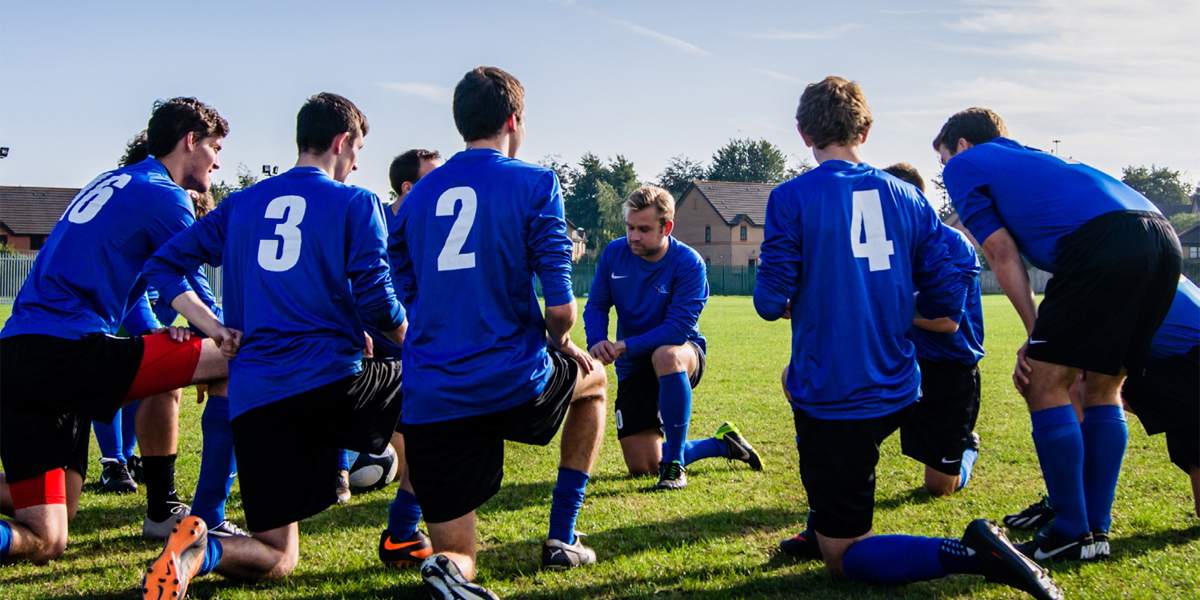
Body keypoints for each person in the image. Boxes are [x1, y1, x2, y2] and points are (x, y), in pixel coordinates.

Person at [754, 76, 1058, 600]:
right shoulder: (909, 198)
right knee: (821, 434)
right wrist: (888, 302)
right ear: (865, 130)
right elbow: (946, 295)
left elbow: (766, 301)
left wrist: (811, 298)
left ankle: (971, 552)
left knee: (843, 559)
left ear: (803, 133)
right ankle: (826, 514)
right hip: (901, 385)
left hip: (837, 394)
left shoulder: (790, 197)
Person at [139, 92, 406, 599]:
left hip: (256, 397)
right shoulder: (358, 202)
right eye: (358, 151)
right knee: (432, 404)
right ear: (341, 141)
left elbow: (161, 265)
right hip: (331, 383)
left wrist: (212, 327)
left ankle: (203, 549)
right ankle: (413, 537)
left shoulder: (241, 204)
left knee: (279, 556)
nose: (356, 164)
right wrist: (412, 345)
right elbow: (378, 302)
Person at [393, 66, 607, 600]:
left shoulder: (415, 197)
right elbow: (561, 311)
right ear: (514, 120)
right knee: (596, 380)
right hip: (510, 380)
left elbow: (404, 294)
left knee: (459, 554)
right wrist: (558, 341)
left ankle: (446, 570)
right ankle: (563, 534)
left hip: (433, 395)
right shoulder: (535, 182)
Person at [935, 108, 1183, 561]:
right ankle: (1094, 532)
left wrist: (1036, 332)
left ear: (962, 146)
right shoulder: (1030, 161)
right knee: (1102, 387)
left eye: (944, 158)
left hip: (1103, 242)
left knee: (1043, 382)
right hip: (1162, 237)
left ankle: (1071, 529)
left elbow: (999, 251)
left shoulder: (966, 163)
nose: (945, 169)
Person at [0, 97, 235, 565]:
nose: (217, 159)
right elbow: (188, 283)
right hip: (67, 351)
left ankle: (163, 505)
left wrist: (163, 337)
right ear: (190, 141)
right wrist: (219, 336)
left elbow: (118, 288)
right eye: (215, 146)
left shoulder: (113, 180)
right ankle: (178, 510)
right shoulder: (165, 195)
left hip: (18, 354)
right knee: (232, 357)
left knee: (50, 533)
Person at [584, 184, 762, 491]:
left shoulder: (689, 263)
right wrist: (598, 339)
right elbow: (597, 305)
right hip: (633, 365)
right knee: (642, 466)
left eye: (643, 229)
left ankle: (675, 464)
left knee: (665, 354)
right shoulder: (614, 253)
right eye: (629, 227)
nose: (633, 236)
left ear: (667, 227)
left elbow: (677, 330)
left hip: (682, 355)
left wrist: (624, 345)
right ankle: (722, 444)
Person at [1005, 277, 1200, 529]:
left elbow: (1067, 339)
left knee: (1072, 377)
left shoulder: (1103, 264)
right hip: (1184, 364)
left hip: (1189, 370)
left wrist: (1033, 346)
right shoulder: (1144, 253)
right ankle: (1074, 502)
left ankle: (1069, 503)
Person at [883, 163, 985, 497]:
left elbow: (947, 322)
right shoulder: (885, 243)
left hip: (949, 368)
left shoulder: (951, 245)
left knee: (940, 488)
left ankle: (967, 449)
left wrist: (891, 312)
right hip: (903, 361)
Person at [373, 148, 442, 567]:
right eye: (434, 179)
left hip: (414, 346)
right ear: (409, 187)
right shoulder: (373, 217)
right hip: (374, 344)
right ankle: (340, 465)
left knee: (413, 456)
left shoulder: (436, 223)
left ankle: (401, 532)